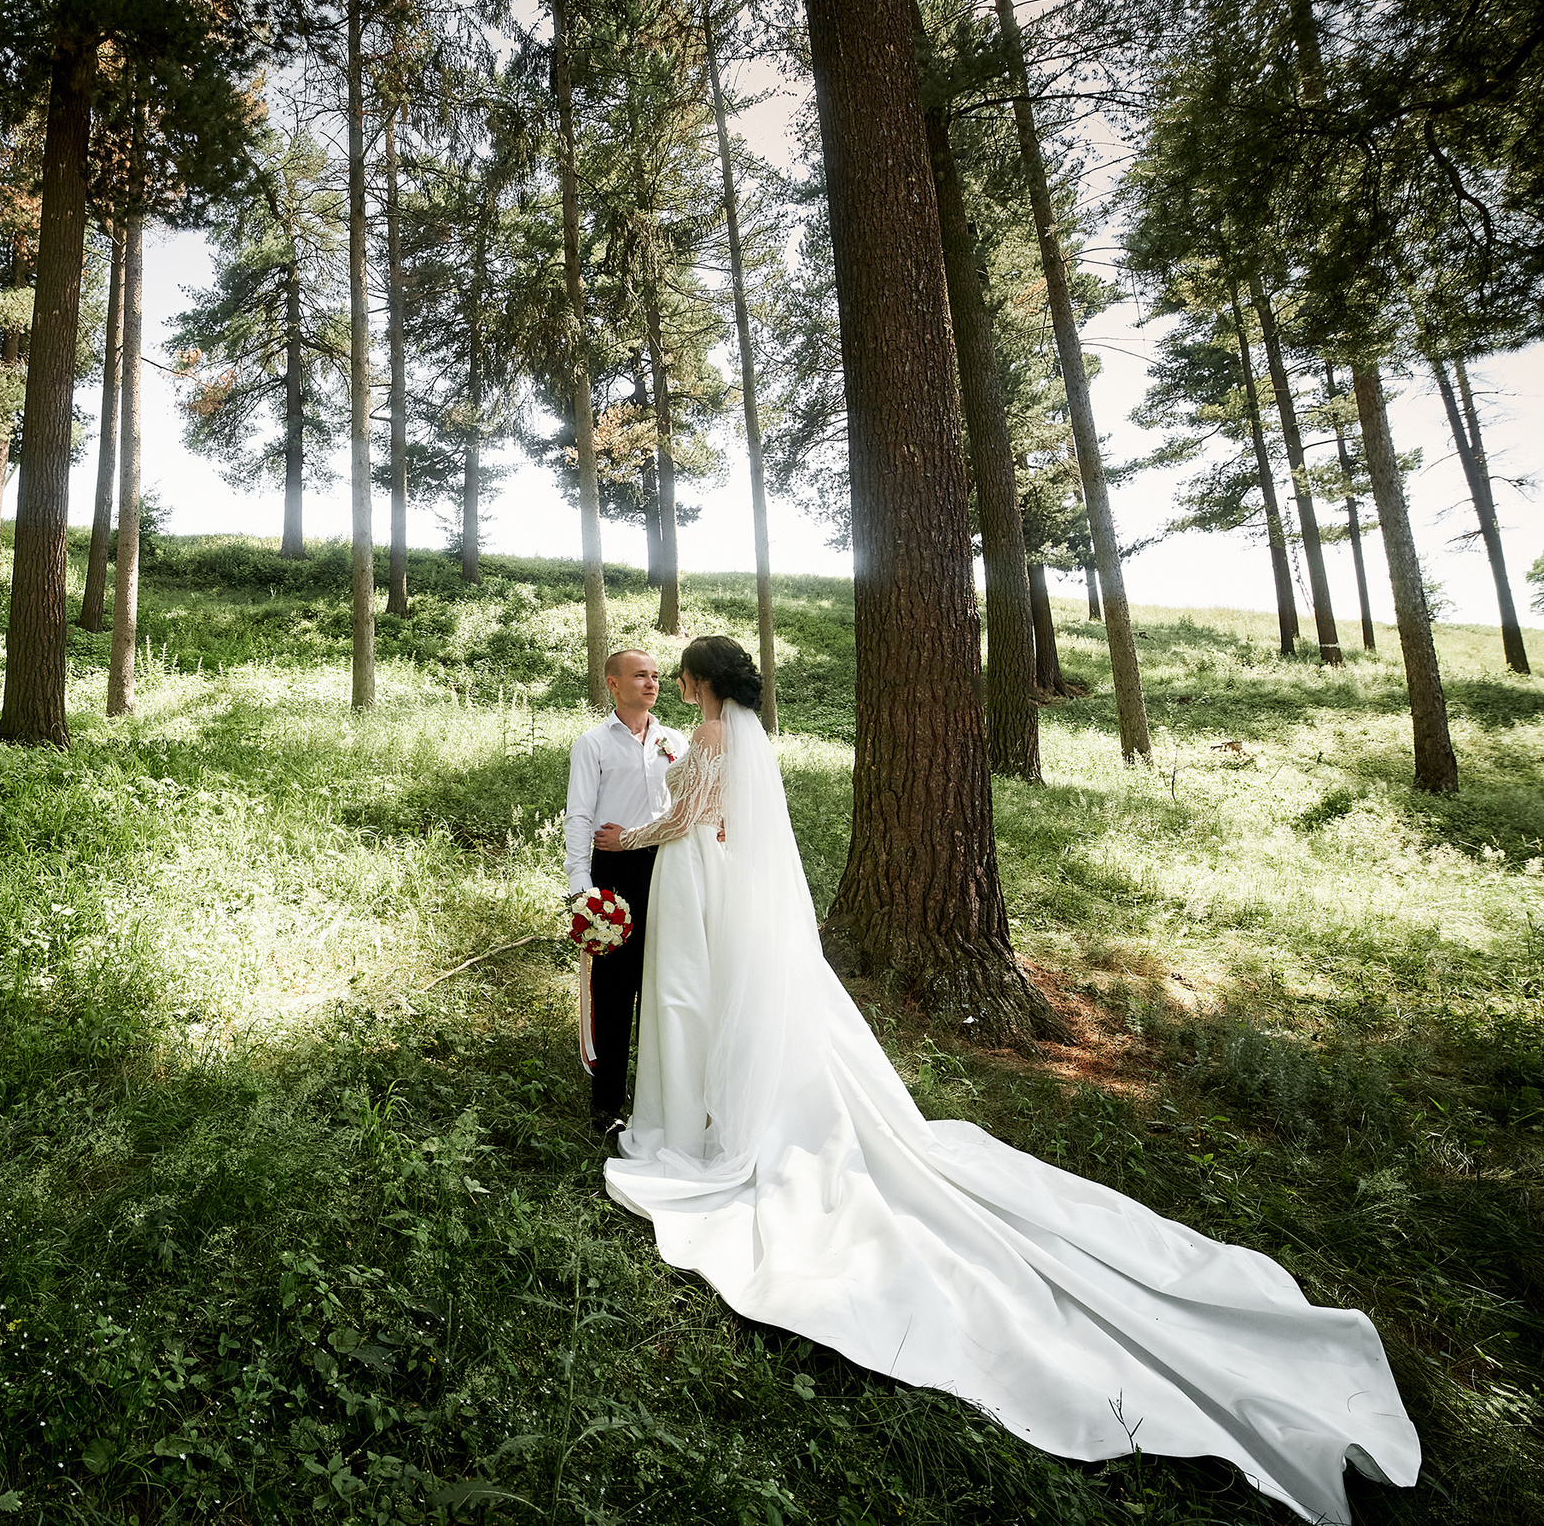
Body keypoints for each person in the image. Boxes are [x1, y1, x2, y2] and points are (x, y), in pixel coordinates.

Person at [594, 635, 1420, 1525]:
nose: (670, 680)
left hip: (693, 880)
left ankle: (700, 1120)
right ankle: (718, 1101)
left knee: (689, 1005)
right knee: (706, 1005)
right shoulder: (730, 737)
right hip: (719, 886)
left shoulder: (713, 741)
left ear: (698, 681)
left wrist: (624, 836)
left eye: (677, 671)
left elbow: (685, 824)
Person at [563, 648, 685, 1139]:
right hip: (614, 871)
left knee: (665, 987)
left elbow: (687, 809)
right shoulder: (592, 744)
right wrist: (583, 890)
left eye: (655, 676)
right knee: (614, 990)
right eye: (640, 675)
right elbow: (580, 816)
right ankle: (608, 1101)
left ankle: (663, 1101)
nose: (651, 683)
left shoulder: (675, 742)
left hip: (670, 870)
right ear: (613, 684)